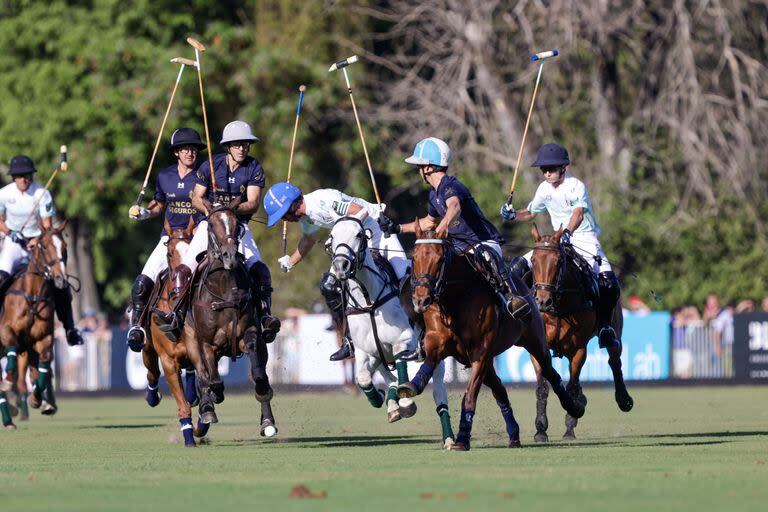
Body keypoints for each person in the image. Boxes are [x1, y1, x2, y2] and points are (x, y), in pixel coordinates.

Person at [379, 137, 531, 321]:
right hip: (460, 250)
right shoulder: (434, 193)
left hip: (482, 243)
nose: (419, 171)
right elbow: (429, 222)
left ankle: (511, 297)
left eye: (419, 166)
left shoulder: (450, 185)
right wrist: (397, 228)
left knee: (485, 255)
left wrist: (444, 225)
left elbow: (455, 207)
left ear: (428, 168)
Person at [161, 121, 280, 342]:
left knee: (260, 268)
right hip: (210, 225)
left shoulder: (254, 168)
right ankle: (176, 315)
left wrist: (227, 210)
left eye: (245, 144)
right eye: (236, 145)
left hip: (238, 227)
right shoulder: (211, 166)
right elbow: (196, 198)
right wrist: (212, 210)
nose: (242, 148)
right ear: (228, 147)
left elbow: (253, 202)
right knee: (183, 271)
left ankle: (265, 315)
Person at [262, 182, 408, 360]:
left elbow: (360, 210)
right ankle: (349, 339)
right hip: (353, 240)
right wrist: (290, 262)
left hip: (376, 229)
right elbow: (308, 240)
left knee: (403, 274)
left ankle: (417, 327)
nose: (284, 220)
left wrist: (342, 232)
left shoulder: (324, 201)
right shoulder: (307, 217)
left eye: (283, 215)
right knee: (329, 286)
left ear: (292, 205)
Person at [500, 142, 620, 349]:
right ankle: (514, 314)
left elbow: (578, 214)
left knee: (609, 283)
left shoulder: (575, 186)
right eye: (544, 169)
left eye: (551, 168)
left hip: (583, 238)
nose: (547, 172)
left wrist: (567, 233)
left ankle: (604, 327)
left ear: (563, 167)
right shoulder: (543, 189)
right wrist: (512, 215)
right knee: (518, 267)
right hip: (556, 241)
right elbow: (530, 213)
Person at [124, 128, 206, 351]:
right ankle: (138, 328)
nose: (190, 153)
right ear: (176, 153)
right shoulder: (164, 176)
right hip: (168, 239)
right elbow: (159, 203)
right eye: (185, 149)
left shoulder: (204, 175)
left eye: (194, 149)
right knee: (142, 283)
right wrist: (144, 212)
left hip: (196, 239)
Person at [0, 155, 82, 346]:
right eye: (19, 176)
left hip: (37, 245)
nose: (24, 179)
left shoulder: (42, 194)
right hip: (13, 244)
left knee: (60, 284)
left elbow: (47, 226)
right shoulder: (4, 194)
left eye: (27, 175)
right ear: (13, 177)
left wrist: (37, 239)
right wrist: (10, 232)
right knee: (1, 278)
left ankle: (70, 329)